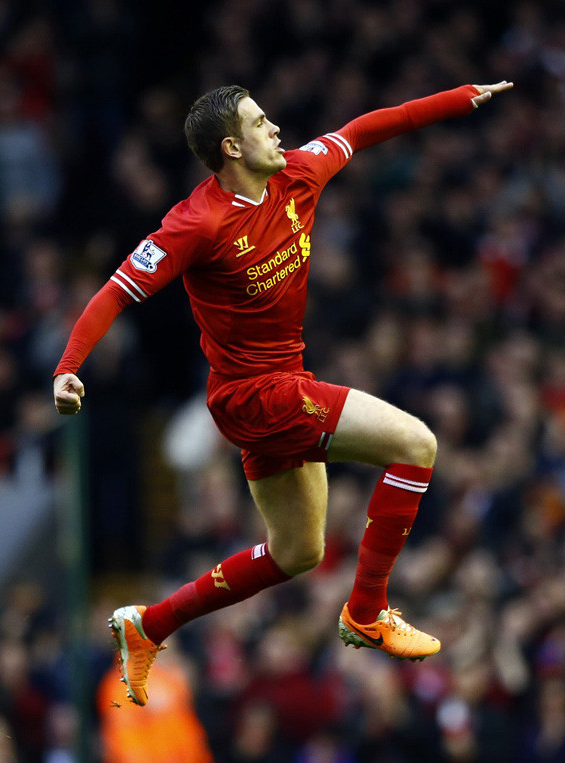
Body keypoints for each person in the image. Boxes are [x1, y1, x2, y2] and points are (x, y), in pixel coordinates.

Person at [53, 79, 514, 706]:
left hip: (283, 384)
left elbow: (364, 128)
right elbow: (115, 292)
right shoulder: (196, 223)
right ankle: (367, 612)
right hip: (253, 396)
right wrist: (69, 367)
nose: (275, 128)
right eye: (259, 122)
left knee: (299, 553)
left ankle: (149, 625)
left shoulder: (300, 173)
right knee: (416, 444)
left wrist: (458, 98)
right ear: (231, 148)